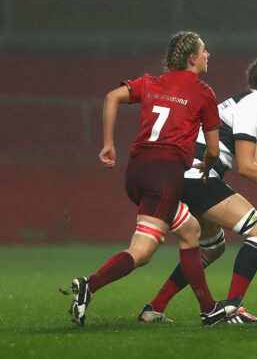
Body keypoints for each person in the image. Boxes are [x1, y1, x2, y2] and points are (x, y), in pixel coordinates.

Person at [67, 31, 235, 327]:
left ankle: (204, 309)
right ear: (192, 58)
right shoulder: (203, 92)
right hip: (165, 176)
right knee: (142, 252)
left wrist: (108, 144)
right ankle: (89, 285)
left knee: (191, 231)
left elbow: (111, 97)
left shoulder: (152, 82)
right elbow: (211, 150)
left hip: (137, 171)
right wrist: (206, 166)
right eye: (205, 50)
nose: (209, 55)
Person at [139, 55, 257, 324]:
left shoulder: (254, 107)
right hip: (198, 175)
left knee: (212, 248)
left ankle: (154, 308)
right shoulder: (252, 104)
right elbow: (247, 168)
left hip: (189, 174)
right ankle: (234, 308)